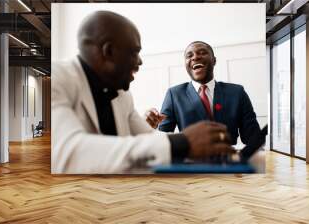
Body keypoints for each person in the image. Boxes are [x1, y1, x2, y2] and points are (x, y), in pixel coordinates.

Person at [51, 11, 234, 174]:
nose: (140, 62)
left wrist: (204, 143)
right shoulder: (58, 77)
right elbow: (67, 152)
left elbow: (149, 137)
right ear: (108, 51)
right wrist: (183, 142)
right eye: (135, 52)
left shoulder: (123, 94)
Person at [145, 41, 261, 148]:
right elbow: (163, 139)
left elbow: (252, 138)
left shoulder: (237, 92)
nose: (195, 57)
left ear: (214, 60)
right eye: (189, 56)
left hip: (229, 162)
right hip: (190, 165)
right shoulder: (174, 94)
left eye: (202, 52)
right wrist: (150, 127)